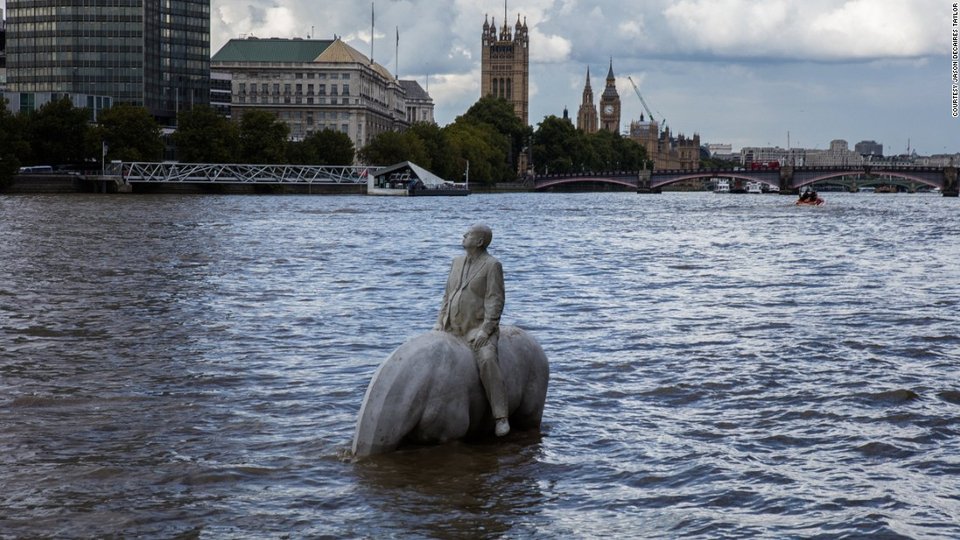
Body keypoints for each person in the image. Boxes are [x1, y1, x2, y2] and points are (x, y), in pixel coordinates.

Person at [434, 224, 510, 436]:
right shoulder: (456, 262)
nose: (464, 235)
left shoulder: (492, 265)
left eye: (469, 234)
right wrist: (440, 322)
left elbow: (495, 300)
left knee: (487, 359)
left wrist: (486, 331)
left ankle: (500, 416)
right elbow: (447, 296)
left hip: (476, 329)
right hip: (451, 327)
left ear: (479, 241)